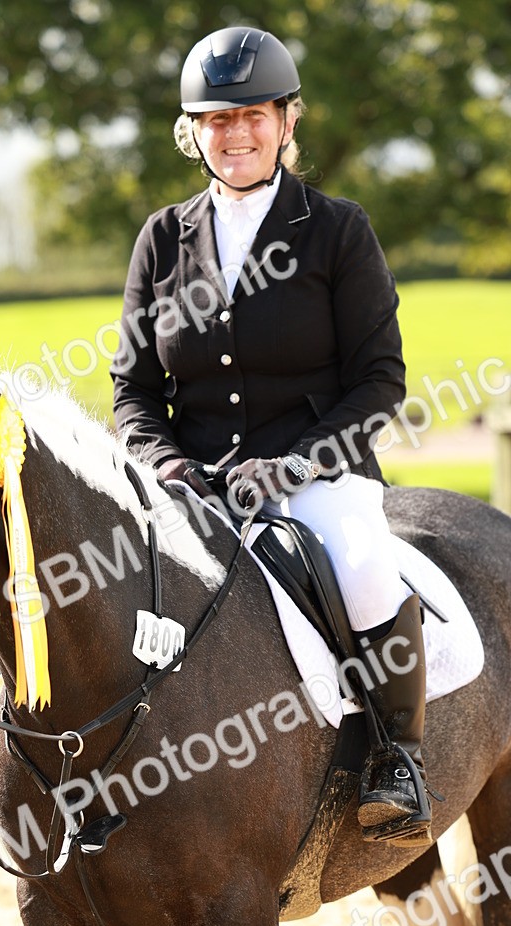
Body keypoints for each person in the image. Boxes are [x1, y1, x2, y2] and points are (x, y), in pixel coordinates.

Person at [111, 25, 432, 844]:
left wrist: (293, 467)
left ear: (289, 121)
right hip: (193, 489)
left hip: (321, 474)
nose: (237, 133)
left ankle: (400, 757)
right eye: (217, 119)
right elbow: (134, 392)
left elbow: (379, 381)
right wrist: (168, 465)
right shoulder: (162, 239)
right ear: (194, 132)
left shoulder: (337, 230)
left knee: (362, 568)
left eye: (254, 114)